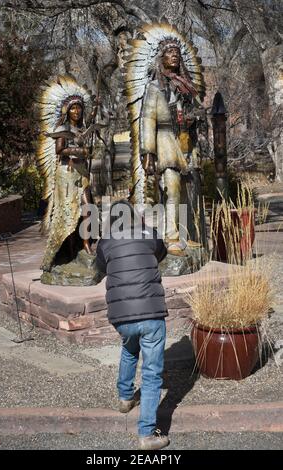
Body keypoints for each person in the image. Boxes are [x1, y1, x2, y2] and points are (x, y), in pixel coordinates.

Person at [124, 24, 207, 255]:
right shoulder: (155, 87)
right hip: (166, 144)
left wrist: (196, 119)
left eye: (177, 53)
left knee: (187, 192)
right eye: (169, 53)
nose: (174, 56)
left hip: (186, 144)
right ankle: (170, 238)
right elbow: (147, 120)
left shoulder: (187, 87)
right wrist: (147, 153)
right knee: (171, 189)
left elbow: (199, 111)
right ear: (161, 58)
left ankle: (185, 235)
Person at [96, 199, 170, 450]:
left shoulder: (105, 242)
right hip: (151, 313)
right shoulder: (150, 234)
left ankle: (125, 398)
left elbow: (102, 267)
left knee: (129, 349)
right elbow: (161, 252)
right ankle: (147, 434)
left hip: (122, 318)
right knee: (151, 374)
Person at [37, 76, 98, 273]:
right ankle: (69, 249)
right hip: (66, 174)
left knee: (88, 208)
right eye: (73, 108)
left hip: (82, 173)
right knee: (69, 214)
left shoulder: (83, 128)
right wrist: (79, 151)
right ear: (67, 110)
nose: (77, 111)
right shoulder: (63, 128)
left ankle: (86, 243)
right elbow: (59, 150)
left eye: (79, 107)